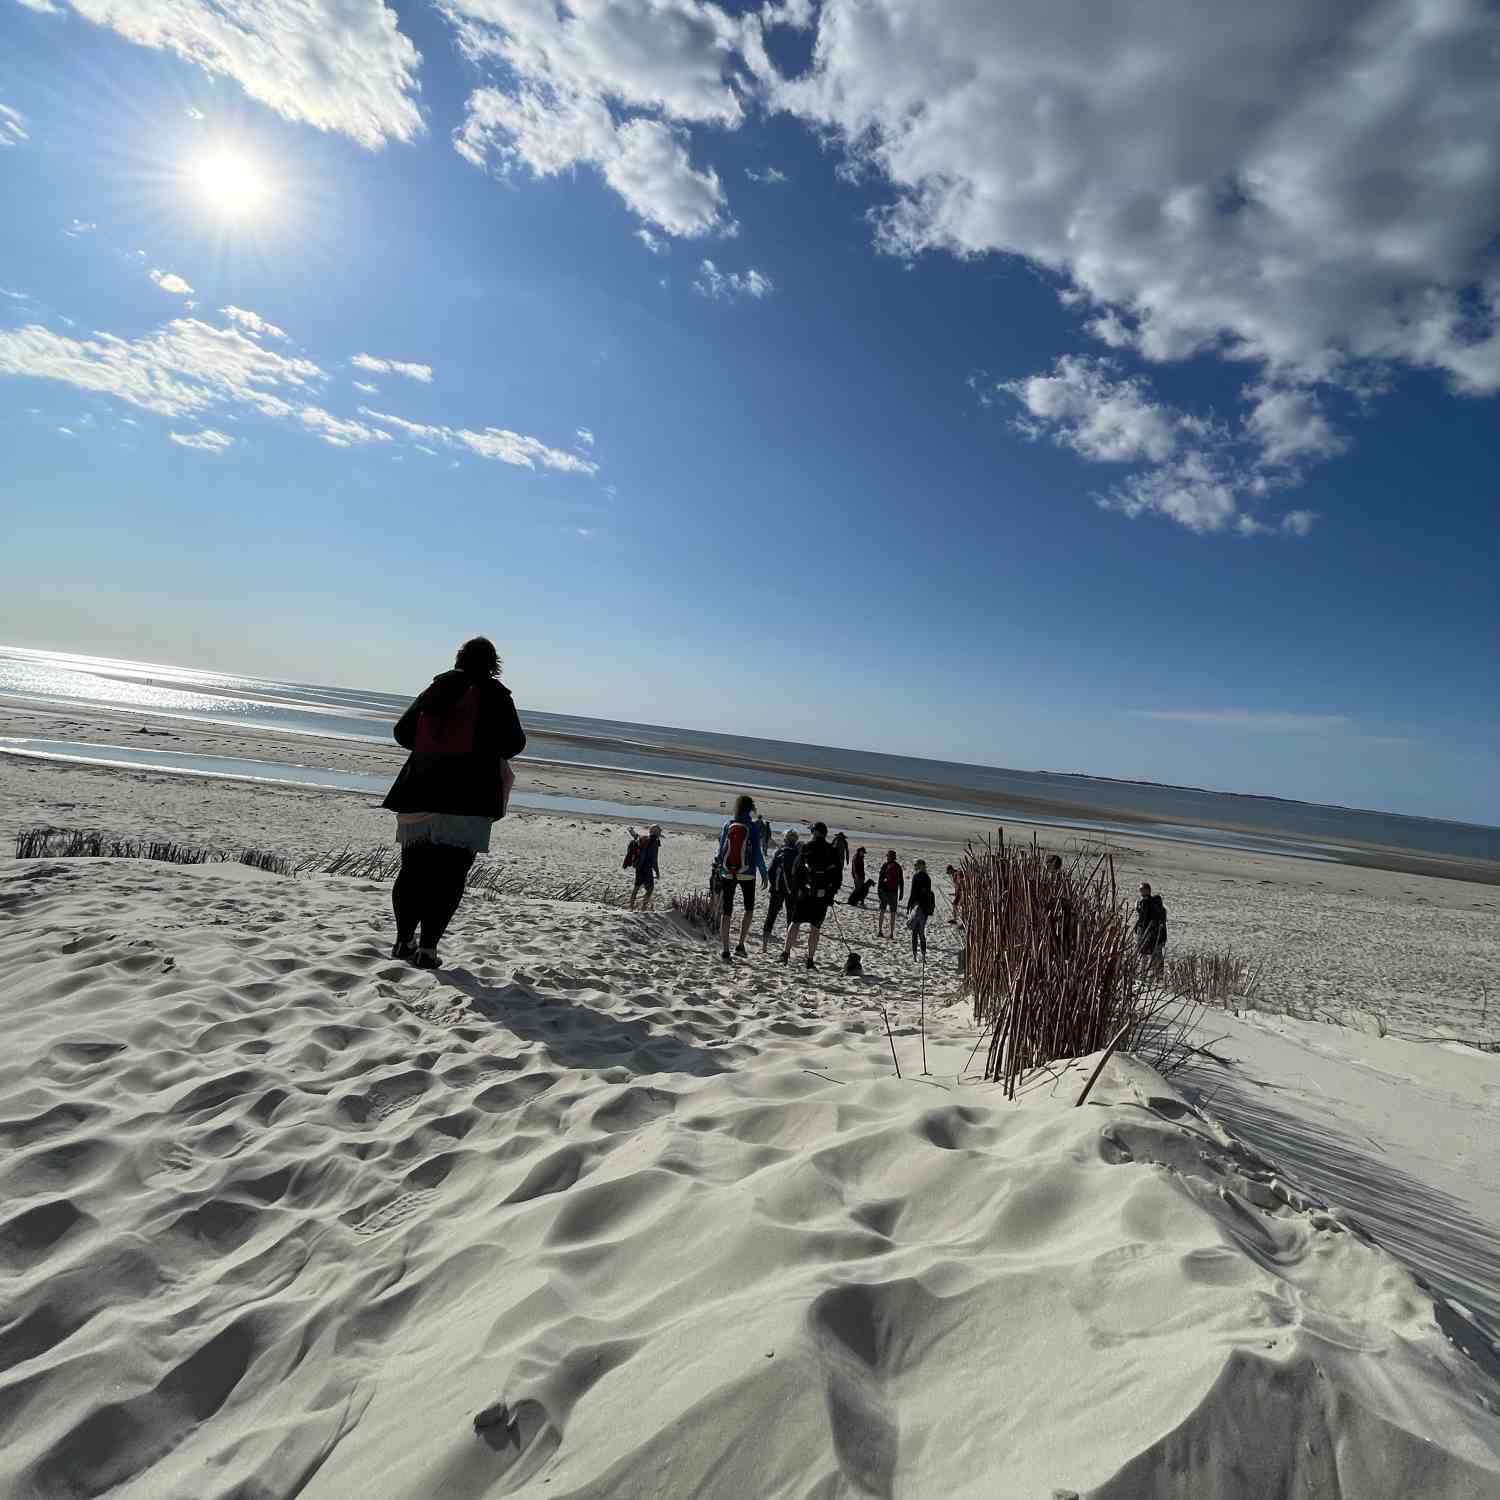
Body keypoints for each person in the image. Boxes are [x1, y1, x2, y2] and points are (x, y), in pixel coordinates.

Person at [382, 636, 525, 969]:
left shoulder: (438, 687)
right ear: (494, 665)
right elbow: (515, 743)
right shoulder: (497, 696)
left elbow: (402, 732)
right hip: (469, 798)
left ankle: (403, 942)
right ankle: (428, 950)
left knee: (412, 870)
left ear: (459, 658)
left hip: (420, 791)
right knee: (450, 876)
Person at [782, 822, 843, 970]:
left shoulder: (806, 847)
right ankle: (810, 960)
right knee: (815, 928)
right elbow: (837, 877)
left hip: (805, 894)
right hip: (822, 897)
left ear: (815, 832)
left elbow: (796, 872)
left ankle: (785, 954)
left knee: (795, 923)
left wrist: (798, 890)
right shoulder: (832, 850)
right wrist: (831, 894)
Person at [715, 793, 769, 961]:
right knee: (749, 909)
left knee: (727, 911)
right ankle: (740, 944)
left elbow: (721, 848)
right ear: (750, 808)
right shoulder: (753, 827)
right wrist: (764, 873)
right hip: (747, 874)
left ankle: (725, 949)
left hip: (728, 872)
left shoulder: (727, 824)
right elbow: (758, 854)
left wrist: (719, 866)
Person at [761, 829, 801, 951]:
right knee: (791, 919)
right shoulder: (798, 855)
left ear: (785, 839)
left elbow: (770, 871)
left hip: (777, 890)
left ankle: (764, 946)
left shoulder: (779, 853)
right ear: (795, 840)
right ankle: (787, 949)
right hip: (792, 891)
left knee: (771, 916)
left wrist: (774, 886)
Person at [1135, 881, 1168, 977]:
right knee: (1157, 955)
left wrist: (1138, 908)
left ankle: (1144, 973)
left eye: (1141, 890)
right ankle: (1158, 975)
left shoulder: (1145, 902)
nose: (1140, 891)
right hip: (1160, 934)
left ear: (1147, 890)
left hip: (1149, 933)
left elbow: (1143, 919)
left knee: (1145, 954)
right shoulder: (1158, 904)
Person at [907, 858, 936, 958]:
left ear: (919, 866)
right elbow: (928, 893)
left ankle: (915, 955)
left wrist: (909, 906)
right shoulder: (927, 877)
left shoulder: (916, 876)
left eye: (915, 865)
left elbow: (913, 892)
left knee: (915, 931)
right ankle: (923, 955)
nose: (914, 867)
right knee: (922, 932)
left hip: (917, 905)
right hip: (925, 907)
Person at [630, 825, 662, 910]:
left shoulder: (644, 839)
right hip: (647, 868)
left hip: (639, 866)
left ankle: (631, 907)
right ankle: (643, 908)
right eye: (659, 831)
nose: (660, 833)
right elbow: (654, 860)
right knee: (650, 889)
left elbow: (635, 836)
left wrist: (631, 830)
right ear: (657, 833)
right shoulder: (655, 842)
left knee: (636, 887)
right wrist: (657, 872)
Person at [876, 850, 904, 938]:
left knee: (882, 911)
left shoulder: (885, 865)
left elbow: (880, 879)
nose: (887, 857)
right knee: (893, 913)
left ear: (889, 857)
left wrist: (879, 891)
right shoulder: (898, 866)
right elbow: (901, 881)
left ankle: (880, 931)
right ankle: (891, 933)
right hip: (894, 892)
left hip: (885, 891)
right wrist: (901, 893)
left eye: (887, 856)